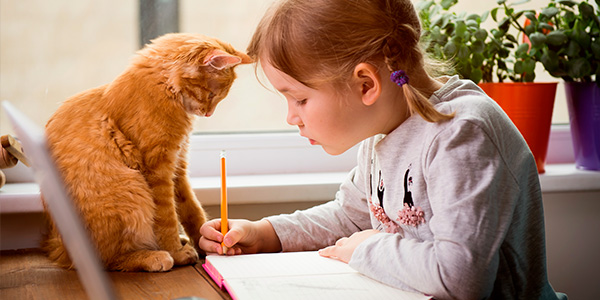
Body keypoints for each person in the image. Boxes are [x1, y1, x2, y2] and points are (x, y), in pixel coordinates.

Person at [198, 0, 564, 299]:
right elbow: (351, 216)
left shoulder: (462, 134)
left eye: (300, 99)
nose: (292, 117)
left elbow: (461, 278)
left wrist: (364, 250)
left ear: (365, 84)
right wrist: (266, 234)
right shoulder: (383, 131)